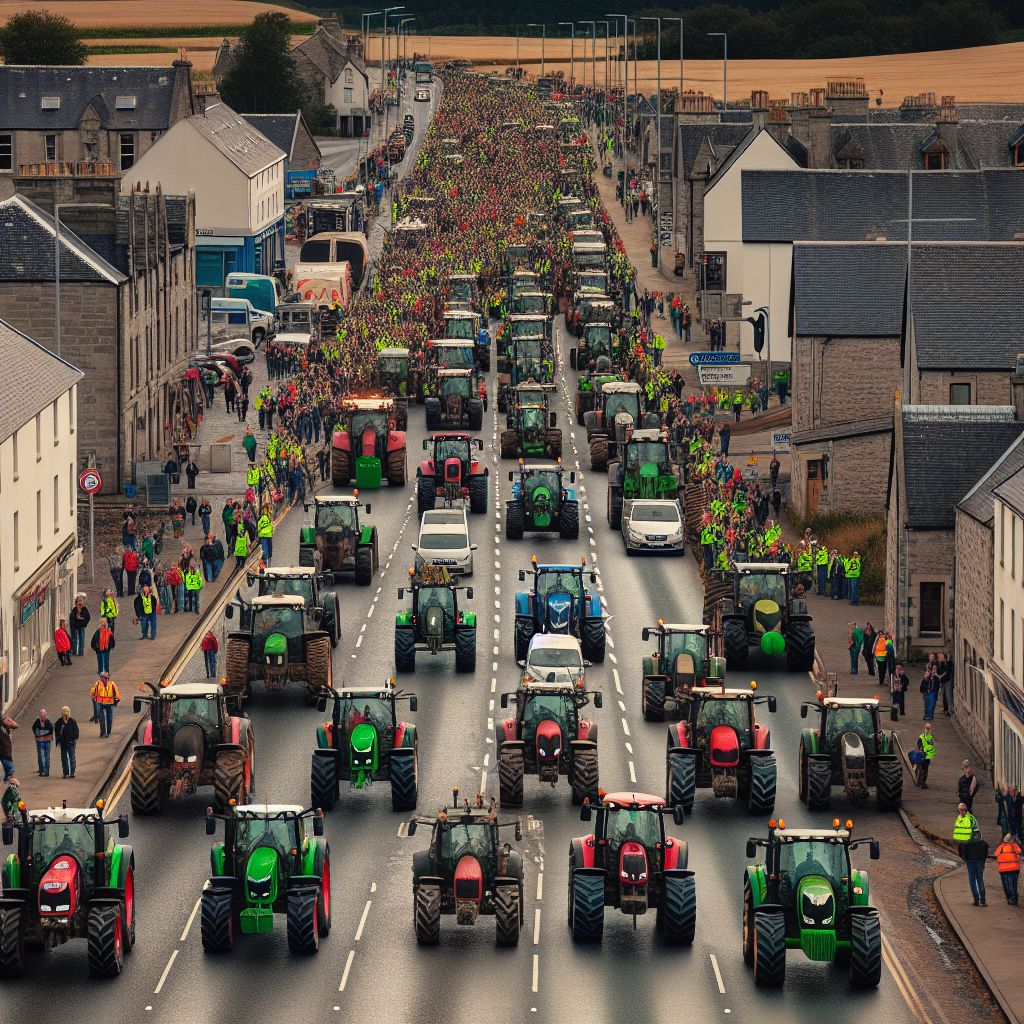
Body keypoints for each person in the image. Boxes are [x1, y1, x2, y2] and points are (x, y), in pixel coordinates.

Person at [954, 807, 988, 907]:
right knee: (980, 879)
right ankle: (983, 900)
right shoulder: (983, 843)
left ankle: (976, 900)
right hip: (979, 861)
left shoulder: (967, 841)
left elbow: (962, 849)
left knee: (972, 880)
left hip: (970, 860)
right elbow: (985, 854)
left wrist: (963, 857)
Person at [89, 672, 121, 738]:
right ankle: (103, 733)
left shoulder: (112, 684)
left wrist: (116, 701)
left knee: (108, 718)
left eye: (104, 677)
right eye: (102, 677)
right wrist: (94, 699)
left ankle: (107, 732)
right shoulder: (97, 684)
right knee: (102, 719)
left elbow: (117, 693)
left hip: (108, 703)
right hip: (100, 703)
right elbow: (92, 692)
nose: (103, 679)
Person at [995, 834, 1021, 905]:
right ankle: (1013, 899)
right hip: (1011, 868)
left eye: (1008, 837)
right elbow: (1019, 852)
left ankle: (1011, 898)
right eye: (1006, 837)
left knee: (1008, 885)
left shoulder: (1004, 846)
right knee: (1012, 885)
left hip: (1007, 869)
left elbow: (996, 854)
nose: (1007, 839)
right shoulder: (1013, 845)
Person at [55, 706, 79, 778]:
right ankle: (66, 773)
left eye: (67, 712)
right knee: (65, 758)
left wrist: (74, 739)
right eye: (64, 712)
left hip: (70, 743)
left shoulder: (72, 722)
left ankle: (71, 772)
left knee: (71, 757)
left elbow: (76, 732)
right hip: (64, 743)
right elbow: (57, 732)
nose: (66, 714)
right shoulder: (59, 722)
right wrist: (58, 741)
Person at [31, 709, 53, 777]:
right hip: (46, 741)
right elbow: (51, 730)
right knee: (46, 756)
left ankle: (42, 770)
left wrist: (37, 734)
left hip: (40, 741)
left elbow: (33, 728)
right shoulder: (48, 722)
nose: (42, 717)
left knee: (41, 756)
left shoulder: (38, 722)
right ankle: (46, 771)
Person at [916, 722, 935, 788]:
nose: (928, 730)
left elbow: (918, 747)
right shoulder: (930, 737)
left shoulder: (922, 737)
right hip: (925, 755)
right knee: (924, 769)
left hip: (923, 754)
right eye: (928, 728)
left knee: (920, 768)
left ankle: (919, 782)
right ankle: (922, 783)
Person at [0, 714, 18, 785]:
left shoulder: (5, 726)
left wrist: (8, 720)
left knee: (10, 770)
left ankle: (7, 779)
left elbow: (16, 726)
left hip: (6, 752)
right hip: (4, 753)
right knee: (11, 769)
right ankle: (8, 780)